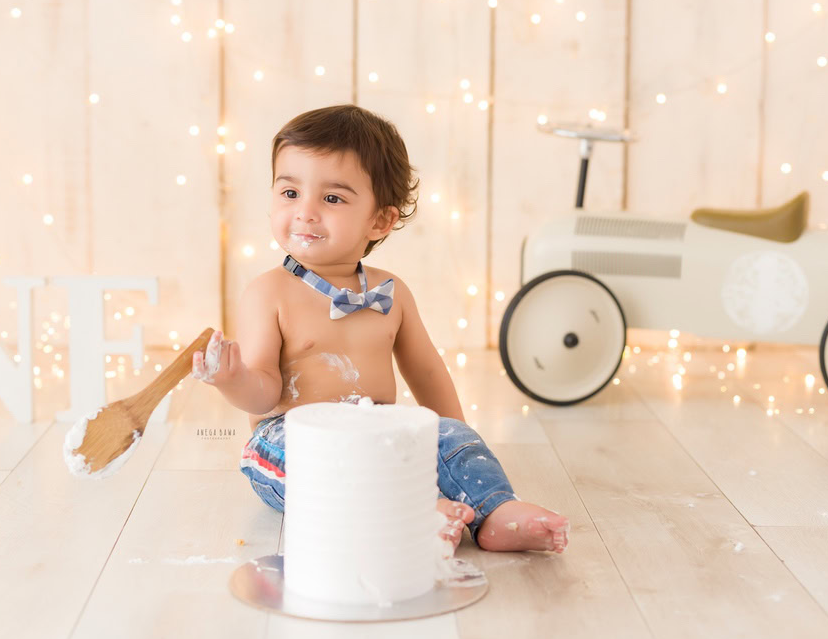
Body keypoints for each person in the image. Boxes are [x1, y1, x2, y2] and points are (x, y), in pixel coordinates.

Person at [191, 104, 570, 556]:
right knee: (327, 468)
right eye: (290, 193)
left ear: (380, 221)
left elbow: (427, 372)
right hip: (290, 441)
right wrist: (234, 381)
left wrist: (450, 445)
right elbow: (264, 394)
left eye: (331, 199)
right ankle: (413, 510)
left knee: (454, 440)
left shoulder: (392, 292)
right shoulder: (268, 292)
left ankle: (495, 510)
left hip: (377, 429)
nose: (306, 212)